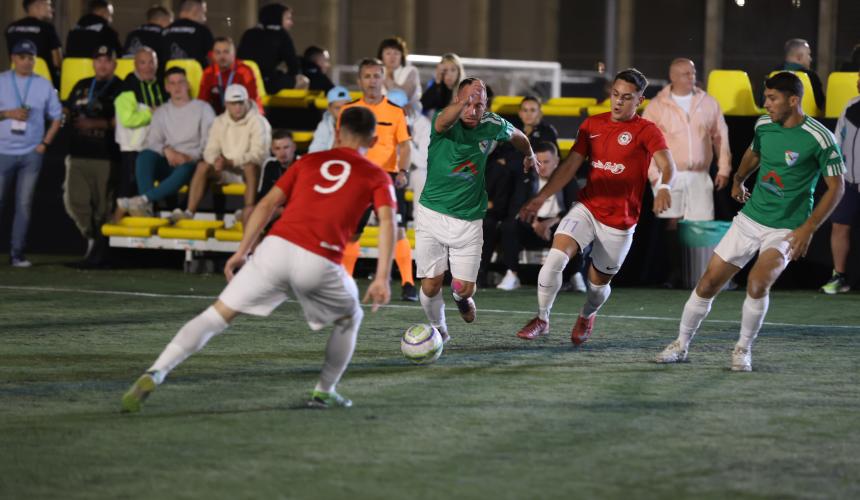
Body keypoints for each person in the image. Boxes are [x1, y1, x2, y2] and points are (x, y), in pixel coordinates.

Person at [120, 106, 397, 412]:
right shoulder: (377, 176)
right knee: (350, 316)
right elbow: (388, 223)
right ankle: (324, 391)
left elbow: (265, 205)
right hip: (319, 259)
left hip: (275, 247)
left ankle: (157, 370)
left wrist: (242, 251)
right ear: (373, 141)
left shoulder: (306, 161)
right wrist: (382, 277)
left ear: (336, 133)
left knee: (216, 316)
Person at [656, 72, 845, 371]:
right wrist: (739, 178)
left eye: (772, 98)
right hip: (750, 219)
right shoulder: (764, 125)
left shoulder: (820, 137)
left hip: (787, 228)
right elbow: (754, 153)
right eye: (765, 97)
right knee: (708, 283)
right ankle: (680, 345)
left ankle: (742, 349)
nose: (765, 103)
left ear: (793, 100)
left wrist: (808, 228)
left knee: (757, 283)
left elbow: (837, 187)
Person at [515, 68, 677, 344]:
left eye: (626, 97)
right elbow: (569, 166)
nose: (618, 101)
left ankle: (587, 314)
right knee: (555, 259)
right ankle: (542, 318)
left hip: (620, 221)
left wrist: (664, 188)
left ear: (639, 100)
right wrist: (541, 197)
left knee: (597, 286)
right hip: (587, 208)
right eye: (615, 94)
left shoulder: (647, 131)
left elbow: (668, 165)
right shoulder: (592, 125)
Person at [417, 77, 539, 343]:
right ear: (457, 101)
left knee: (465, 289)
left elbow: (518, 136)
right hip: (432, 214)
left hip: (469, 219)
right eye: (467, 103)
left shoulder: (492, 123)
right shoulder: (444, 120)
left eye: (479, 105)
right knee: (431, 284)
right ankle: (439, 328)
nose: (473, 110)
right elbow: (442, 121)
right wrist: (463, 102)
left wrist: (529, 154)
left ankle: (460, 297)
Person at [642, 58, 732, 287]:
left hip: (699, 173)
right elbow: (645, 144)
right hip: (669, 175)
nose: (691, 77)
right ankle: (676, 272)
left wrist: (724, 168)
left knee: (699, 225)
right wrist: (655, 177)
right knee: (672, 222)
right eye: (685, 74)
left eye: (692, 73)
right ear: (672, 77)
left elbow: (721, 136)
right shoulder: (656, 106)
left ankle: (700, 273)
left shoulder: (708, 102)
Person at [339, 58, 416, 302]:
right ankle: (345, 282)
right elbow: (339, 143)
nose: (372, 81)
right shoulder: (348, 111)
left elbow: (406, 146)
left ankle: (408, 283)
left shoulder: (396, 111)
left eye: (376, 76)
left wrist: (403, 172)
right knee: (352, 232)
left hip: (388, 177)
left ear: (383, 79)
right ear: (359, 80)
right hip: (357, 176)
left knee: (398, 230)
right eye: (367, 76)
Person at [115, 67, 214, 217]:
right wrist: (166, 151)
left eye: (180, 82)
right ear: (167, 87)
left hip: (190, 162)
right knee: (144, 156)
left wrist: (189, 156)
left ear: (187, 85)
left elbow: (209, 141)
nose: (177, 87)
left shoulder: (203, 108)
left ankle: (143, 199)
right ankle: (146, 207)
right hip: (168, 159)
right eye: (172, 83)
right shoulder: (161, 111)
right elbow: (153, 141)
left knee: (187, 167)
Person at [0, 40, 62, 267]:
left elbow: (57, 117)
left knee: (24, 205)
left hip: (31, 153)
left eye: (30, 58)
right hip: (2, 150)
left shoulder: (43, 84)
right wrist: (8, 114)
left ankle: (17, 253)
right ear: (13, 58)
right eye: (22, 57)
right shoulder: (2, 80)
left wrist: (44, 144)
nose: (26, 62)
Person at [62, 45, 123, 267]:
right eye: (99, 60)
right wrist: (63, 115)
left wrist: (95, 123)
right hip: (77, 153)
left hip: (106, 154)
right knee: (73, 201)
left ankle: (100, 251)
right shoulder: (81, 85)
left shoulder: (120, 87)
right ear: (93, 63)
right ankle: (91, 237)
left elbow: (122, 119)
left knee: (103, 207)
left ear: (115, 64)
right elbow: (67, 108)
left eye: (107, 60)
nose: (102, 64)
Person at [176, 84, 271, 226]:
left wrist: (231, 162)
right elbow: (210, 150)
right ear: (226, 104)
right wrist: (217, 161)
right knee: (203, 166)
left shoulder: (259, 122)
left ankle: (248, 211)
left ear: (247, 102)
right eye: (233, 104)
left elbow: (259, 155)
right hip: (227, 169)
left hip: (252, 173)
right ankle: (189, 212)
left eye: (240, 103)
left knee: (250, 166)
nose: (238, 107)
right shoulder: (219, 121)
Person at [496, 142, 578, 291]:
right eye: (538, 162)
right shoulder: (525, 179)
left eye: (546, 162)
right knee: (509, 226)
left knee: (577, 228)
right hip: (530, 224)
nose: (542, 166)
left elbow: (574, 209)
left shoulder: (568, 180)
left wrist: (552, 222)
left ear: (556, 161)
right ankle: (512, 274)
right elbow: (517, 207)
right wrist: (536, 224)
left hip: (558, 224)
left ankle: (575, 275)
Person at [820, 70, 860, 294]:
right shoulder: (850, 106)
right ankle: (839, 277)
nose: (859, 83)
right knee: (839, 226)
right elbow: (837, 139)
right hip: (848, 182)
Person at [113, 46, 166, 200]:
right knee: (129, 194)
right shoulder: (126, 87)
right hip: (133, 150)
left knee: (148, 193)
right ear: (135, 65)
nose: (148, 67)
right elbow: (128, 119)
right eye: (143, 63)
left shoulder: (161, 85)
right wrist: (152, 113)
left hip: (155, 148)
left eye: (151, 62)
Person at [237, 3, 308, 94]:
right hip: (268, 83)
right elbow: (294, 66)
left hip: (244, 80)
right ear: (277, 18)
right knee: (303, 80)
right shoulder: (281, 35)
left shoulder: (249, 33)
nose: (291, 23)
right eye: (288, 18)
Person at [198, 37, 263, 115]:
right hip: (216, 117)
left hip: (242, 114)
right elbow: (202, 102)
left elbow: (253, 101)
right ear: (213, 55)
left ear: (234, 53)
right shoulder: (208, 73)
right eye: (218, 52)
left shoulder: (245, 71)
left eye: (226, 52)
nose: (222, 56)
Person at [5, 0, 63, 87]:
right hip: (45, 83)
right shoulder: (47, 28)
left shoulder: (10, 28)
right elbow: (57, 62)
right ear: (37, 6)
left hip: (17, 82)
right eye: (49, 5)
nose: (52, 9)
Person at [776, 38, 825, 112]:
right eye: (808, 55)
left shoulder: (772, 74)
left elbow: (762, 102)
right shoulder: (811, 76)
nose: (810, 59)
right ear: (799, 57)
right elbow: (821, 105)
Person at [162, 0, 214, 68]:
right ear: (195, 11)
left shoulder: (165, 31)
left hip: (169, 74)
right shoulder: (202, 31)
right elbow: (213, 58)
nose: (205, 18)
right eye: (203, 13)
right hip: (197, 74)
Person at [378, 36, 422, 114]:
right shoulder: (376, 71)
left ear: (402, 55)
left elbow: (403, 96)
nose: (392, 57)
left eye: (396, 53)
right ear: (381, 55)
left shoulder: (411, 71)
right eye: (388, 53)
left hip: (408, 115)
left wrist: (388, 76)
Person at [308, 85, 351, 153]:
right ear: (329, 109)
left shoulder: (360, 123)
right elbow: (313, 152)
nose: (342, 111)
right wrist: (333, 149)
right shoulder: (324, 126)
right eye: (337, 108)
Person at [258, 129, 297, 199]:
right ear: (272, 150)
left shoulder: (302, 164)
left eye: (286, 147)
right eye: (277, 148)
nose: (282, 153)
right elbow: (263, 195)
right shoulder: (269, 164)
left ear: (294, 147)